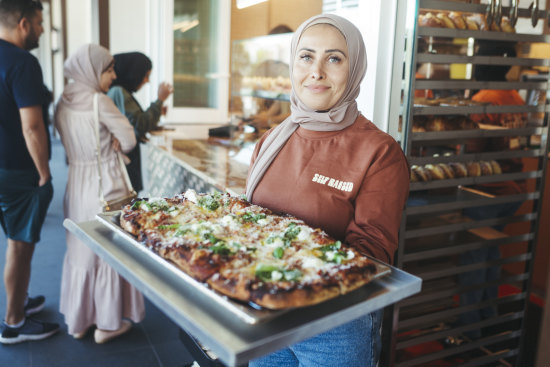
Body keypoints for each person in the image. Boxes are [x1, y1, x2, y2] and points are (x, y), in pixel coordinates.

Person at [246, 14, 410, 367]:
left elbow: (372, 252)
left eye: (334, 58)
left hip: (335, 326)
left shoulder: (379, 153)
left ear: (354, 70)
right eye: (306, 56)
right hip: (267, 311)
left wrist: (287, 268)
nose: (316, 71)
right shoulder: (271, 140)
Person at [54, 44, 145, 343]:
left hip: (77, 182)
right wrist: (118, 143)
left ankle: (80, 322)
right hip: (106, 183)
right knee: (108, 253)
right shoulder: (99, 101)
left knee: (80, 250)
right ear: (92, 71)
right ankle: (107, 325)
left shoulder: (62, 102)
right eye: (108, 69)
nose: (113, 75)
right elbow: (129, 140)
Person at [454, 41, 526, 341]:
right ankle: (488, 316)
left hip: (485, 192)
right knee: (491, 251)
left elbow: (470, 153)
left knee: (474, 256)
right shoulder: (516, 98)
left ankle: (469, 328)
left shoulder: (484, 99)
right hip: (515, 190)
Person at [0, 0, 59, 344]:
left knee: (14, 241)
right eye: (38, 23)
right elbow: (33, 126)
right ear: (23, 24)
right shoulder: (23, 62)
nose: (40, 30)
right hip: (20, 171)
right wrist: (44, 173)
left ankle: (19, 301)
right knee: (20, 246)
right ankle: (14, 322)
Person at [107, 52, 173, 193]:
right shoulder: (118, 91)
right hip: (123, 161)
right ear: (134, 73)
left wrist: (158, 109)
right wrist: (160, 99)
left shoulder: (119, 91)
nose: (147, 81)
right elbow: (140, 125)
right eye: (146, 75)